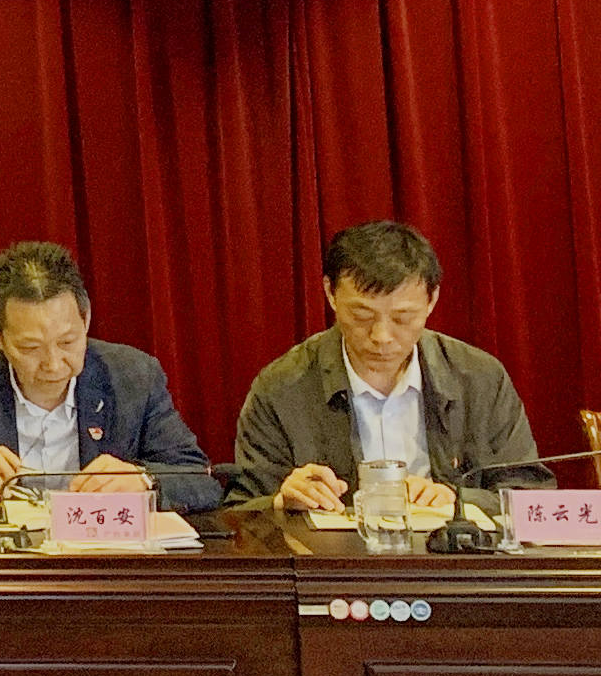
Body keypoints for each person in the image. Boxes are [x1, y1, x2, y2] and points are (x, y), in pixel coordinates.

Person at [0, 239, 221, 516]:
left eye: (67, 342)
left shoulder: (133, 376)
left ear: (85, 319)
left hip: (104, 566)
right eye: (31, 347)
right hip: (0, 573)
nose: (54, 364)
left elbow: (202, 480)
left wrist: (145, 481)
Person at [232, 219, 547, 521]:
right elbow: (240, 512)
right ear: (330, 293)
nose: (381, 336)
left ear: (432, 300)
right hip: (333, 557)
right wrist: (281, 501)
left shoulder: (478, 378)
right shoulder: (282, 387)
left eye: (402, 318)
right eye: (362, 316)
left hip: (450, 555)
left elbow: (531, 497)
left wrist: (457, 499)